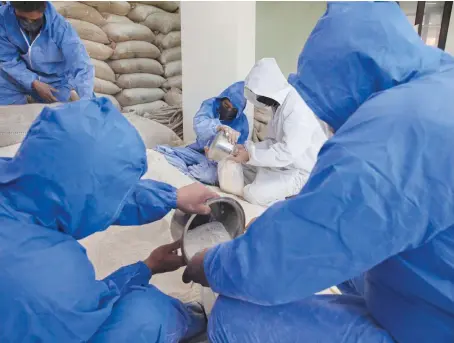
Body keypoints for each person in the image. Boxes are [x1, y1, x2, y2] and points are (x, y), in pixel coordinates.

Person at [182, 2, 454, 342]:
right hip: (431, 294)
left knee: (233, 314)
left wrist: (213, 265)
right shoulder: (440, 87)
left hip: (431, 326)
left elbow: (298, 249)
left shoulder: (393, 130)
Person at [0, 97, 218, 342]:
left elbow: (90, 188)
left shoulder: (30, 176)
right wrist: (142, 271)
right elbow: (88, 307)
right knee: (147, 312)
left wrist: (171, 197)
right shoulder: (50, 275)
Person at [227, 58, 328, 206]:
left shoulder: (297, 109)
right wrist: (249, 149)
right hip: (284, 164)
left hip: (303, 171)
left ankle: (294, 202)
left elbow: (287, 152)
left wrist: (250, 155)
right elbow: (273, 142)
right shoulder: (279, 105)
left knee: (253, 195)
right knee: (240, 167)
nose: (260, 99)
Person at [155, 81, 249, 185]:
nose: (229, 110)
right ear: (222, 99)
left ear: (239, 111)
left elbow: (238, 152)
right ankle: (183, 172)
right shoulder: (211, 104)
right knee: (162, 151)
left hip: (216, 162)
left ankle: (185, 173)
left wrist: (220, 155)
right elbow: (199, 124)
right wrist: (217, 127)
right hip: (197, 151)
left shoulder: (242, 123)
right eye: (226, 105)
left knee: (207, 176)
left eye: (233, 109)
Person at [0, 1, 94, 105]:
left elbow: (81, 64)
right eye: (23, 18)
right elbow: (8, 59)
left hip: (53, 81)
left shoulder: (60, 28)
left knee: (56, 110)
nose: (29, 23)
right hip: (17, 76)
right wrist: (33, 82)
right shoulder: (4, 19)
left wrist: (87, 100)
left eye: (34, 20)